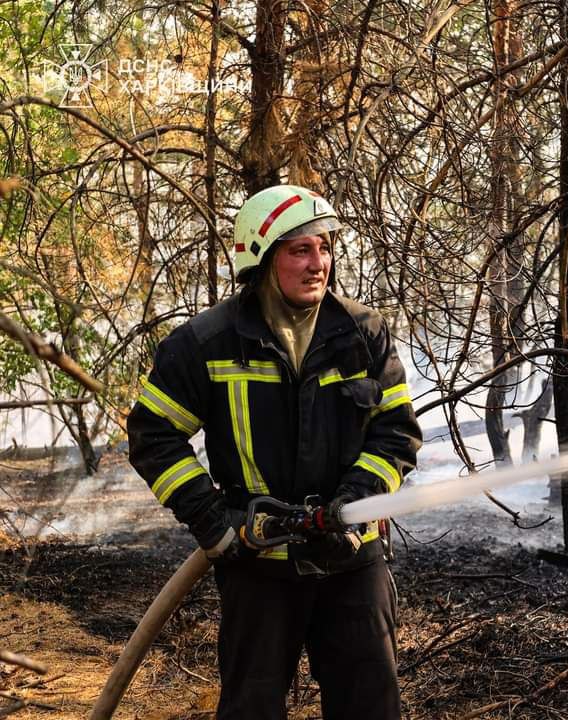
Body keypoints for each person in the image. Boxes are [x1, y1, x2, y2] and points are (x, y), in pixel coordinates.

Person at [127, 184, 422, 720]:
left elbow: (396, 433)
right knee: (251, 710)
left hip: (351, 560)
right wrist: (215, 524)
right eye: (300, 250)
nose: (319, 263)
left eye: (325, 247)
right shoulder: (207, 343)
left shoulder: (363, 334)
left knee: (370, 707)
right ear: (260, 257)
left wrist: (355, 502)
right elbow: (153, 435)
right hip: (257, 568)